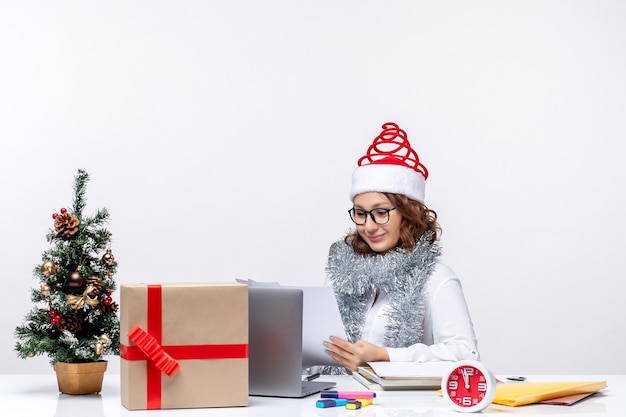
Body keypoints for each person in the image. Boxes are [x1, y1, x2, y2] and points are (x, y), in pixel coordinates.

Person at [322, 122, 479, 373]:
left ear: (408, 214)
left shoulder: (436, 278)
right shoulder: (340, 277)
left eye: (381, 213)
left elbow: (464, 354)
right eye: (361, 213)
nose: (369, 226)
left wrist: (385, 356)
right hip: (340, 403)